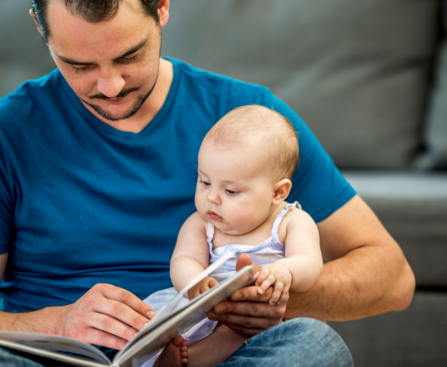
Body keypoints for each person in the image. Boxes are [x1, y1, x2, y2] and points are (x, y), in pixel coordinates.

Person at [0, 0, 415, 366]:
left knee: (312, 346)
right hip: (54, 358)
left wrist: (266, 297)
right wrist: (57, 321)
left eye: (130, 56)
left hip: (216, 358)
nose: (111, 86)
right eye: (80, 65)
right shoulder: (10, 131)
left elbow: (393, 278)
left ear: (162, 7)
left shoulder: (252, 124)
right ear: (40, 25)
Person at [145, 105, 323, 366]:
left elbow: (310, 262)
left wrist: (285, 271)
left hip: (256, 322)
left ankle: (187, 361)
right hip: (203, 311)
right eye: (204, 182)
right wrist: (194, 281)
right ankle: (165, 357)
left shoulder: (291, 222)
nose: (212, 198)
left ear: (278, 193)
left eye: (230, 191)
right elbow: (182, 259)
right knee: (153, 324)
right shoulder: (201, 224)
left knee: (237, 333)